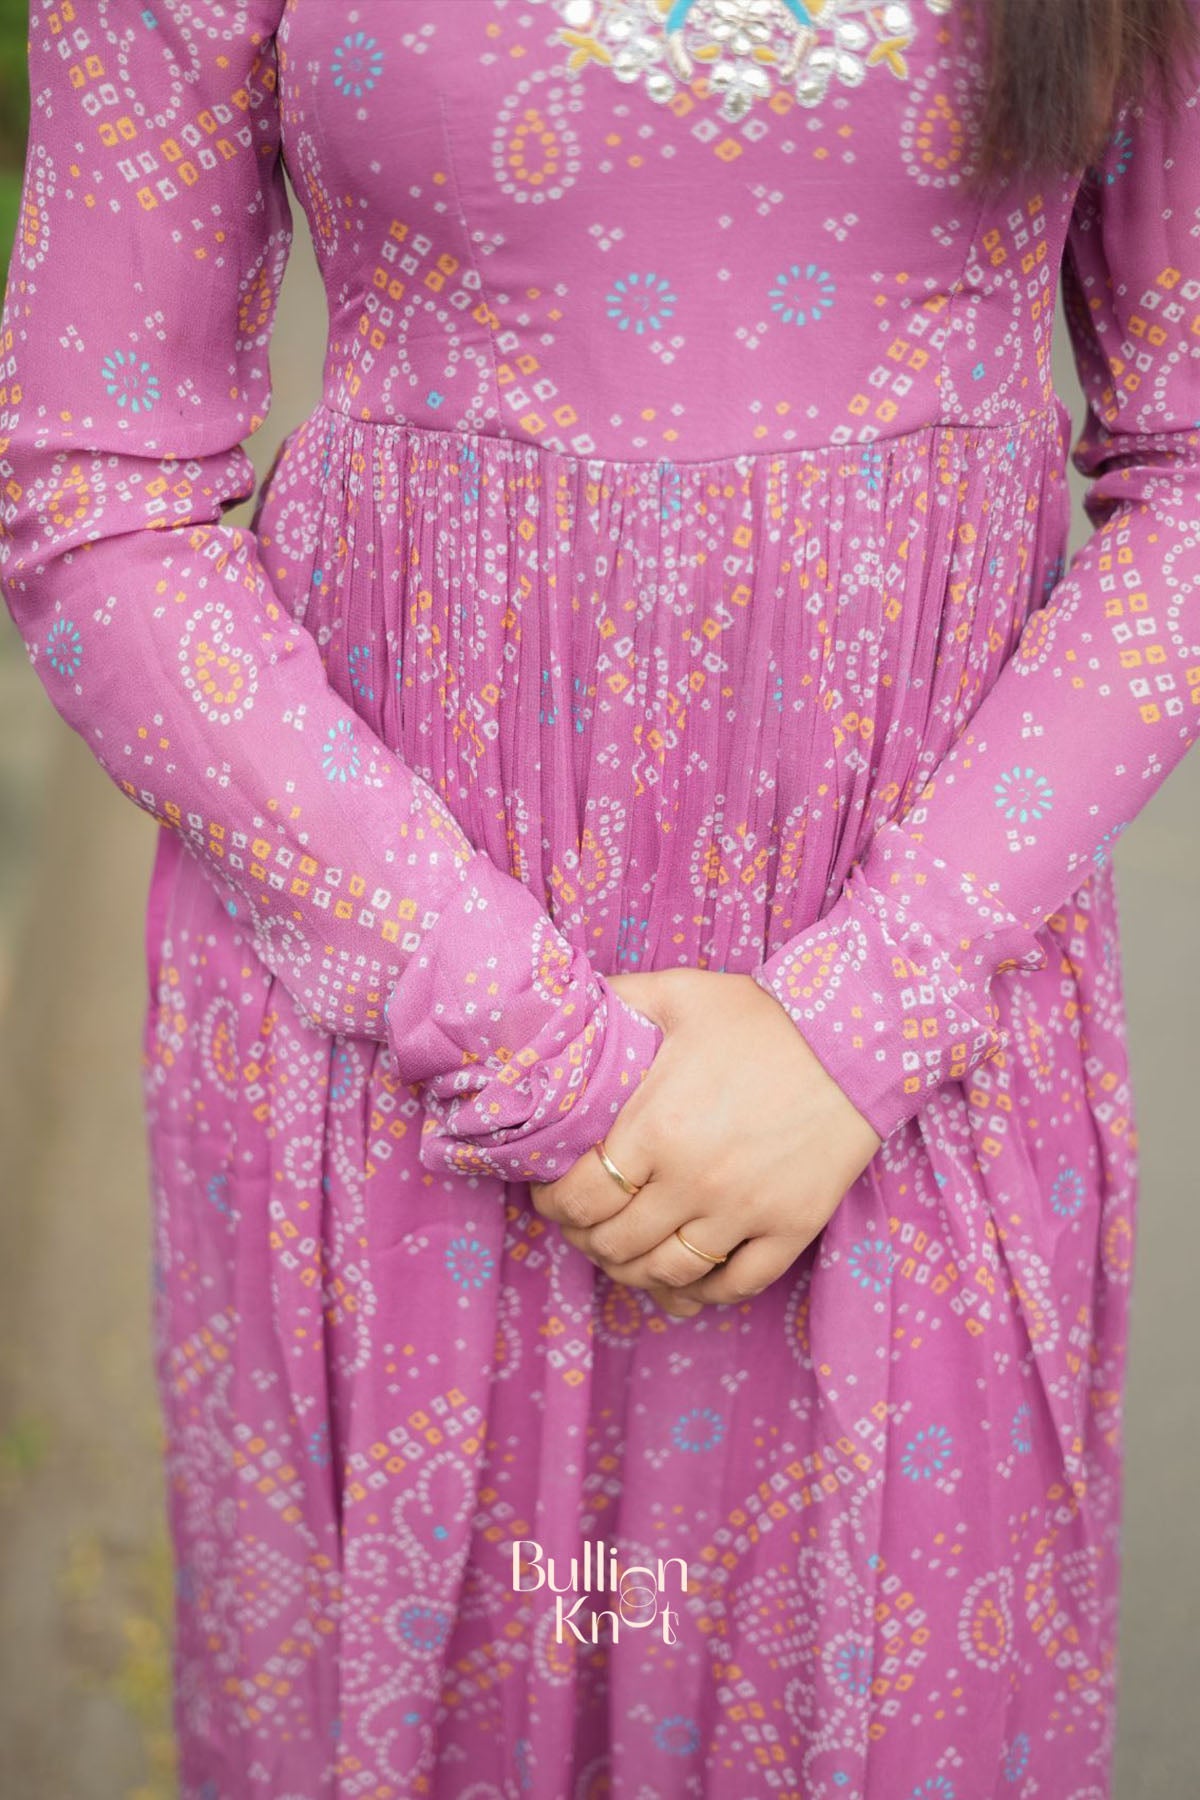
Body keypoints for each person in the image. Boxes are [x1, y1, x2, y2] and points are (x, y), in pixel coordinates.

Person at [2, 0, 1198, 1794]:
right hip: (399, 1059)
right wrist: (521, 1037)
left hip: (917, 1075)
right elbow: (98, 490)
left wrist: (860, 1014)